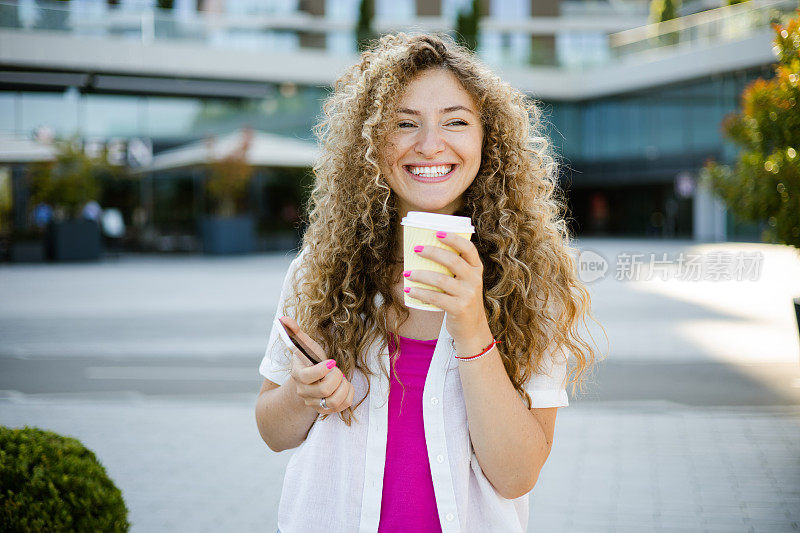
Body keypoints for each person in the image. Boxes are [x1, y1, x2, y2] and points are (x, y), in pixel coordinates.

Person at [254, 32, 602, 532]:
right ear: (372, 140)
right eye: (405, 123)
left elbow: (517, 474)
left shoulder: (531, 286)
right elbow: (272, 429)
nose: (431, 144)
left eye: (455, 122)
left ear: (488, 138)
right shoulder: (319, 270)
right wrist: (300, 392)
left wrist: (472, 324)